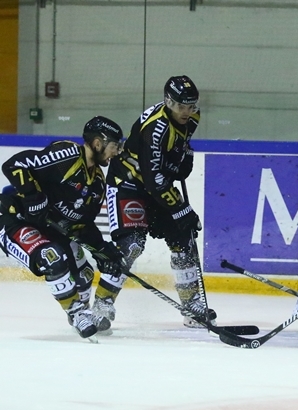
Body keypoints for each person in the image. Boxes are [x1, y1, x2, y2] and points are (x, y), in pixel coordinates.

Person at [92, 75, 214, 330]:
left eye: (191, 105)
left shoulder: (192, 116)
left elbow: (181, 144)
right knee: (131, 244)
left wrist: (184, 156)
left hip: (153, 183)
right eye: (181, 106)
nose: (187, 111)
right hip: (128, 185)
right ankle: (102, 304)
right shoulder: (155, 128)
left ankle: (191, 305)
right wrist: (181, 209)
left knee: (184, 237)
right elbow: (154, 180)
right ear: (168, 101)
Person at [0, 117, 126, 339]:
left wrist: (102, 249)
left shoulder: (97, 182)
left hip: (48, 227)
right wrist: (32, 195)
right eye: (114, 146)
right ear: (98, 143)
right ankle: (76, 313)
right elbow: (13, 165)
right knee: (53, 258)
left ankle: (84, 309)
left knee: (84, 273)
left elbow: (81, 225)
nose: (116, 152)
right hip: (14, 219)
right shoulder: (66, 154)